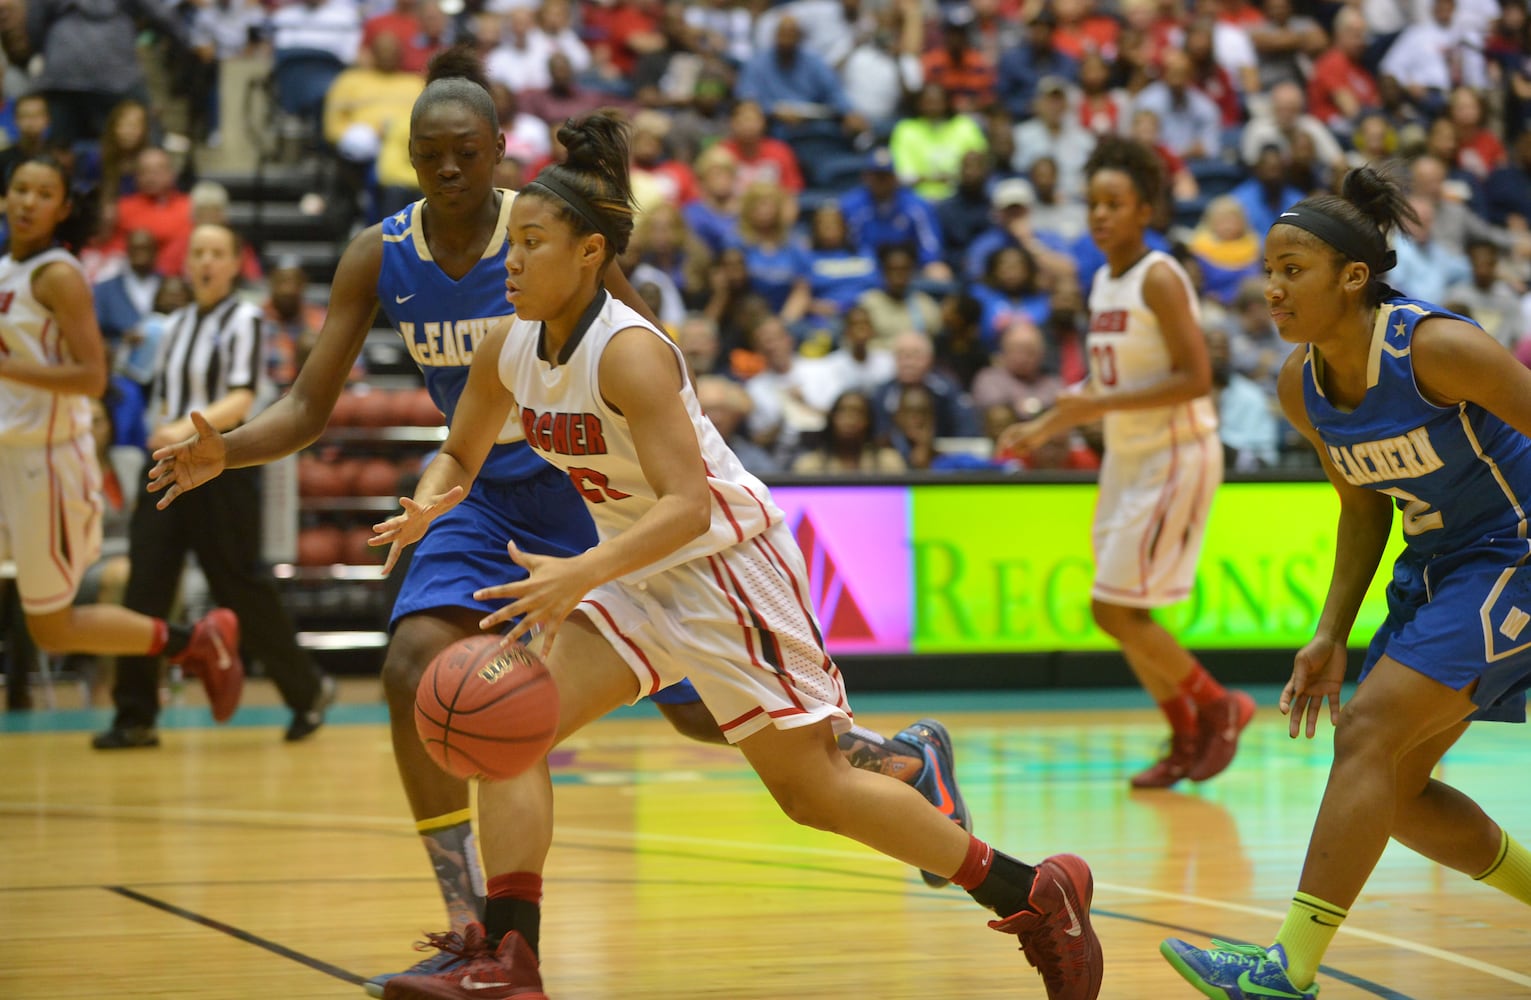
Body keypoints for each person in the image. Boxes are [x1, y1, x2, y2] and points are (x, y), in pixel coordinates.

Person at [145, 49, 972, 996]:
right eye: (429, 154)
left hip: (593, 490)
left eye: (466, 151)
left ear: (501, 152)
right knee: (421, 668)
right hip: (476, 490)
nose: (449, 169)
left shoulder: (548, 223)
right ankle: (479, 929)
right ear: (409, 161)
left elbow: (644, 352)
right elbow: (307, 406)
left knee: (716, 718)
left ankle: (904, 764)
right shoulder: (382, 253)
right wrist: (230, 448)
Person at [365, 109, 1102, 1000]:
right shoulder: (507, 349)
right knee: (509, 730)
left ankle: (1035, 894)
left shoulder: (631, 354)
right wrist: (430, 499)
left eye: (529, 243)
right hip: (631, 570)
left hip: (724, 569)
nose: (508, 262)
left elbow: (688, 507)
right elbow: (462, 447)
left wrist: (577, 575)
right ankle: (509, 958)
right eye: (507, 246)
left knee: (812, 792)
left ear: (589, 253)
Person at [1162, 165, 1531, 999]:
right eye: (1267, 271)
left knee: (1363, 731)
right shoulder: (1300, 384)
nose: (1271, 287)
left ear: (1352, 277)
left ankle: (1285, 970)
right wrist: (1328, 630)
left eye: (1292, 270)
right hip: (1436, 568)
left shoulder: (1435, 347)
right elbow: (1362, 511)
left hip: (1515, 551)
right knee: (1394, 793)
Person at [1002, 136, 1255, 789]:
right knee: (1118, 611)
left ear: (1145, 208)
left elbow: (1196, 377)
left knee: (1115, 612)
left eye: (1114, 202)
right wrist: (1044, 424)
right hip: (1127, 456)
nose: (1100, 214)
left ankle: (1217, 705)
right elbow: (1100, 380)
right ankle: (1185, 733)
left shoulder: (1160, 275)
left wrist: (1094, 405)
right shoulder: (1102, 280)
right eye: (1092, 203)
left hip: (1175, 452)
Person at [0, 153, 240, 743]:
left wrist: (10, 369)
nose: (28, 201)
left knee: (52, 630)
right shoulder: (7, 267)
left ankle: (193, 640)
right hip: (11, 457)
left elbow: (92, 376)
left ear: (63, 208)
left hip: (48, 463)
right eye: (19, 189)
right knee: (51, 629)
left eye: (43, 192)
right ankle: (192, 640)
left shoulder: (57, 273)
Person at [98, 221, 332, 749]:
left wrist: (183, 429)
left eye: (216, 253)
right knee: (145, 587)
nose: (205, 261)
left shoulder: (246, 317)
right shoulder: (173, 324)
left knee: (240, 586)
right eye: (198, 252)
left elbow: (242, 398)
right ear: (188, 263)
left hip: (219, 470)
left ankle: (307, 692)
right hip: (166, 469)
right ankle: (134, 715)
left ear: (234, 263)